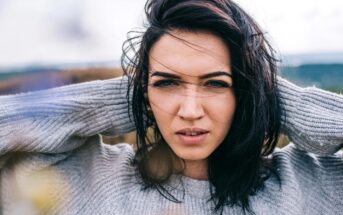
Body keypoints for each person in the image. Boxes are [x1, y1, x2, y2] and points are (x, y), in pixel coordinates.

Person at [0, 0, 342, 214]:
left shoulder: (311, 184)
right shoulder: (89, 180)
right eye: (167, 83)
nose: (190, 111)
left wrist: (272, 97)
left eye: (215, 83)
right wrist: (132, 97)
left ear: (246, 92)